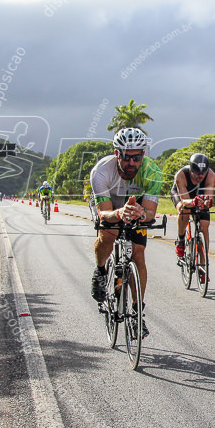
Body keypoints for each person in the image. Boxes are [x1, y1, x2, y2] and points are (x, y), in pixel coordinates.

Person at [89, 127, 163, 337]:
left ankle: (137, 313)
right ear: (117, 154)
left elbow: (150, 213)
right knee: (108, 236)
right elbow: (104, 215)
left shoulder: (153, 172)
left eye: (137, 157)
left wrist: (140, 214)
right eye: (127, 157)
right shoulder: (101, 172)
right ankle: (101, 270)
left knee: (138, 253)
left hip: (134, 206)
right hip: (110, 206)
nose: (132, 163)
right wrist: (120, 213)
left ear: (143, 155)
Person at [171, 152, 215, 258]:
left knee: (204, 225)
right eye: (197, 173)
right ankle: (181, 239)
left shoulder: (211, 175)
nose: (200, 176)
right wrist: (193, 202)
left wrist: (207, 203)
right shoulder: (180, 175)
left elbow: (209, 199)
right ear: (191, 170)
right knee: (184, 211)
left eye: (203, 173)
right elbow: (184, 201)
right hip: (183, 194)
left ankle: (203, 263)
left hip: (199, 195)